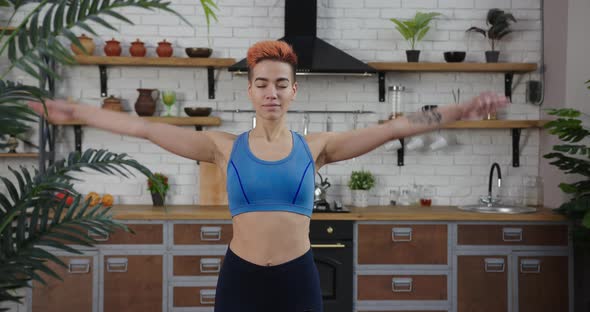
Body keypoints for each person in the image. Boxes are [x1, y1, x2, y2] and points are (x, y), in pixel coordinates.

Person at [29, 40, 509, 312]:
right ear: (251, 90)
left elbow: (396, 128)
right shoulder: (223, 147)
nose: (271, 92)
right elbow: (146, 128)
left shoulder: (316, 147)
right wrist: (74, 109)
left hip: (297, 278)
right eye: (262, 84)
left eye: (281, 84)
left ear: (292, 90)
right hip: (240, 278)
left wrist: (463, 108)